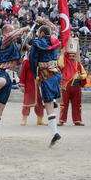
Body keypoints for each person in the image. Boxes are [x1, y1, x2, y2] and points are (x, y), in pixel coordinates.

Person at [0, 24, 30, 145]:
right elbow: (13, 35)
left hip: (10, 74)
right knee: (1, 81)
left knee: (1, 105)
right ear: (5, 33)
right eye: (12, 30)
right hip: (0, 71)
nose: (14, 33)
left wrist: (28, 46)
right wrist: (24, 29)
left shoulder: (12, 44)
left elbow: (24, 47)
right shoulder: (4, 40)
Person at [28, 17, 62, 147]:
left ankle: (54, 133)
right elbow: (55, 29)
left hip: (45, 74)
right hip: (56, 73)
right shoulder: (54, 40)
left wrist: (34, 74)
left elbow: (33, 60)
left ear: (41, 33)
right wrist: (43, 21)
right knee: (49, 101)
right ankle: (53, 102)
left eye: (38, 32)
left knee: (47, 104)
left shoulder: (37, 43)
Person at [58, 37, 87, 126]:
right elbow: (59, 64)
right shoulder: (64, 62)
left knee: (77, 104)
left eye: (73, 56)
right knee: (64, 104)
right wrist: (63, 52)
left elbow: (85, 74)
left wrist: (81, 76)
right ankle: (62, 120)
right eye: (70, 56)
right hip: (66, 86)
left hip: (76, 87)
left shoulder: (78, 64)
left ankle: (77, 120)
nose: (71, 57)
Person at [19, 49, 46, 126]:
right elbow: (22, 74)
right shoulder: (26, 62)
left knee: (40, 103)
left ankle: (40, 120)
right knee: (27, 102)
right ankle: (24, 119)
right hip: (29, 86)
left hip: (38, 86)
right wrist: (22, 85)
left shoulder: (39, 63)